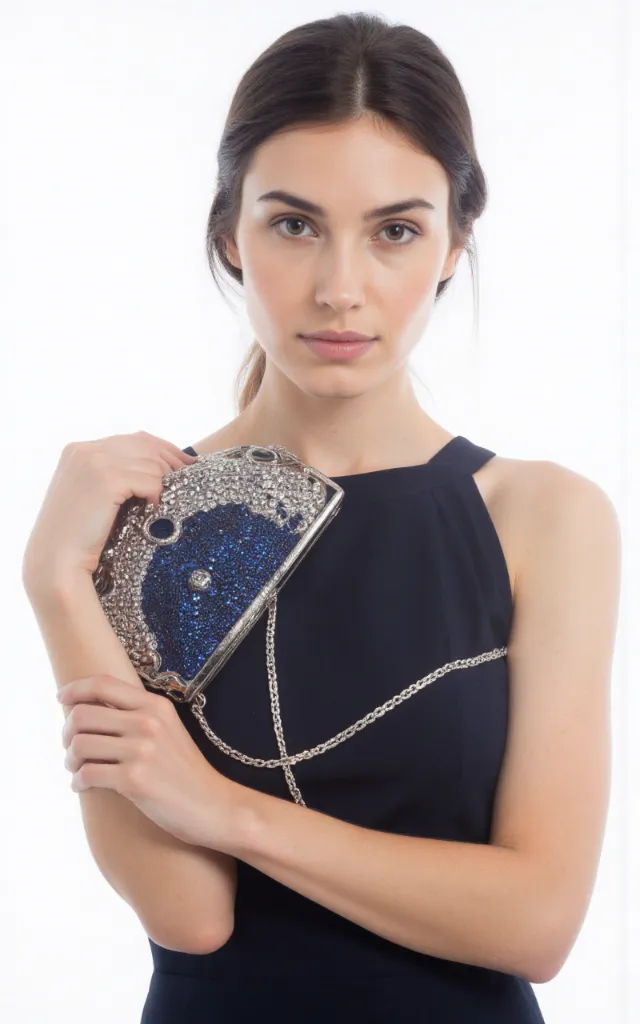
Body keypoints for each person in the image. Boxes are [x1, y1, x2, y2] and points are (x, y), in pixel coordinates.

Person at [22, 12, 621, 1023]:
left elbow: (538, 920)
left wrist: (227, 812)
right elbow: (189, 914)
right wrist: (51, 578)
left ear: (453, 243)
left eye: (395, 231)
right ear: (230, 232)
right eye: (294, 225)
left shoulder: (544, 518)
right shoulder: (147, 519)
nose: (341, 290)